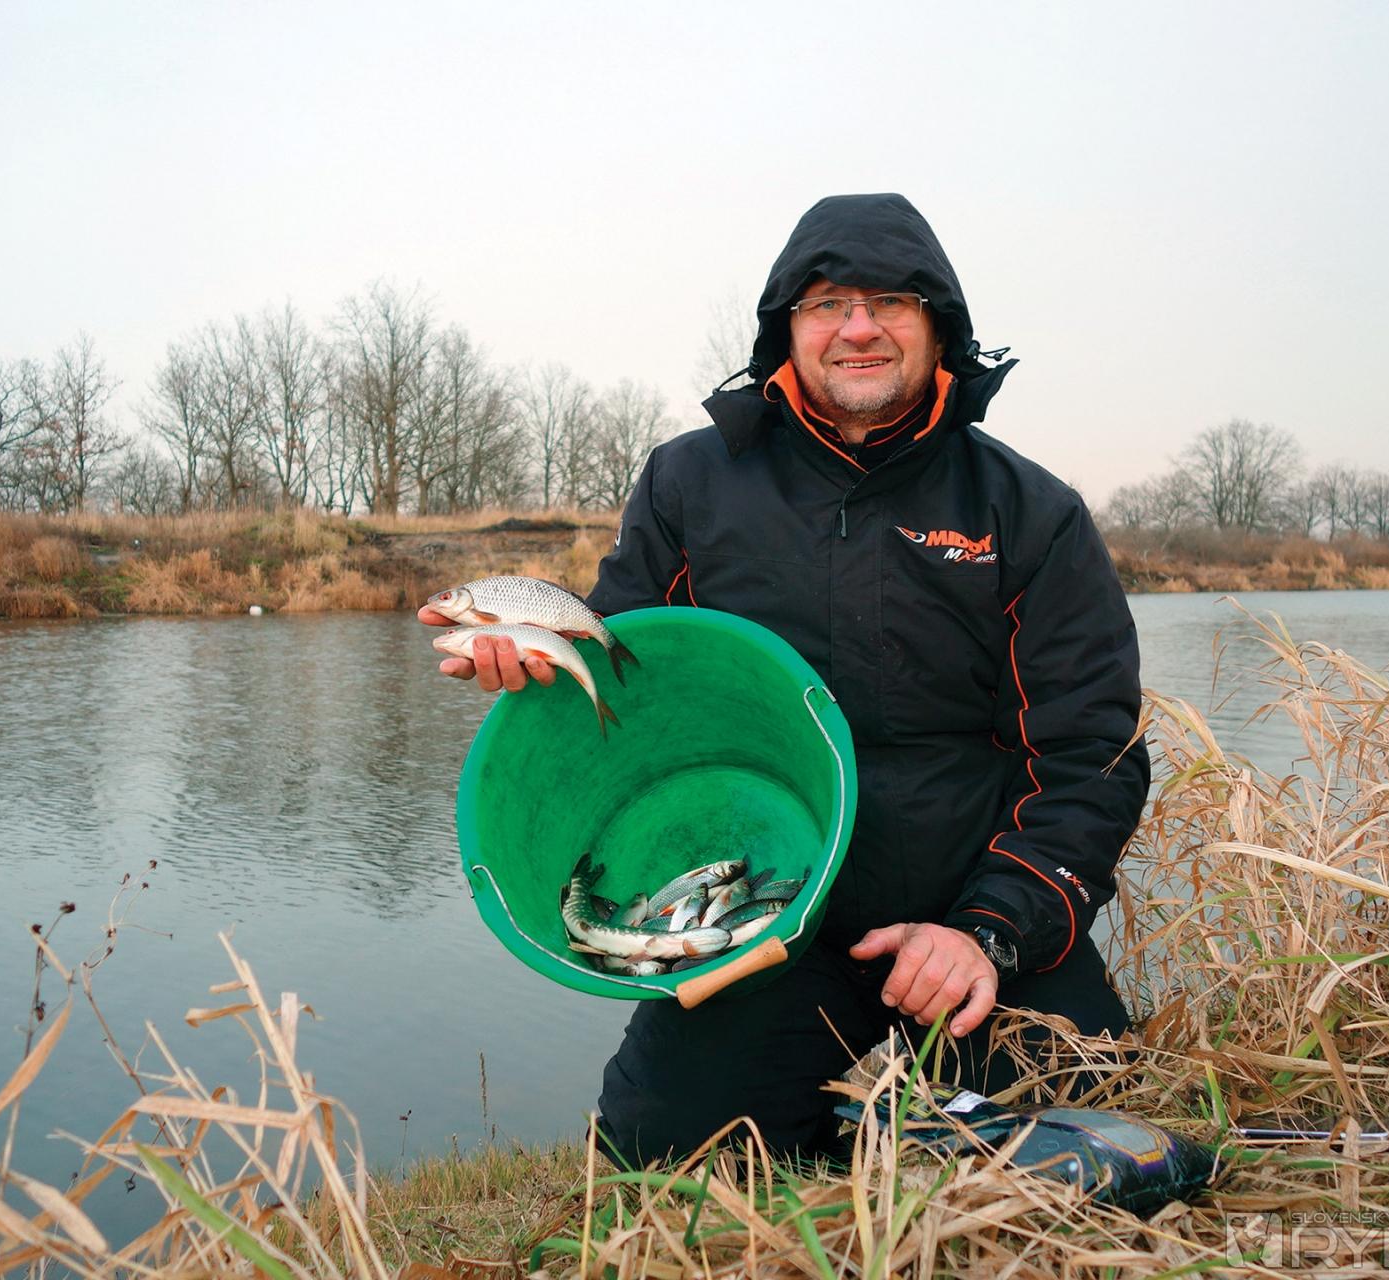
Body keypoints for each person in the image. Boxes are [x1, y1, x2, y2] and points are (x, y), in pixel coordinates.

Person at [420, 193, 1148, 1167]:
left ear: (938, 325)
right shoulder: (688, 482)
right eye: (826, 303)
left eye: (890, 302)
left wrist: (990, 929)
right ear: (786, 329)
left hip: (965, 908)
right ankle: (835, 1134)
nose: (857, 326)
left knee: (1085, 1138)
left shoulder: (1027, 511)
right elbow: (631, 678)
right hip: (765, 915)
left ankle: (924, 1107)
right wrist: (539, 664)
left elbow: (1092, 754)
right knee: (662, 1155)